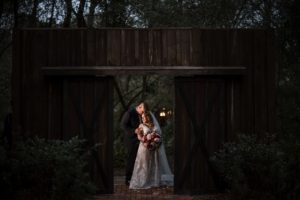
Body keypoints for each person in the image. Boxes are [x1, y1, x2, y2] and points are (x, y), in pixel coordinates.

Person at [129, 111, 174, 189]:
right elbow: (139, 137)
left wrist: (156, 141)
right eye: (142, 117)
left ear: (148, 117)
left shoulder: (154, 125)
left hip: (154, 148)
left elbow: (159, 135)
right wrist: (144, 140)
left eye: (144, 117)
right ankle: (143, 181)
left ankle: (154, 181)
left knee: (154, 163)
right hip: (144, 148)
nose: (142, 119)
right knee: (144, 164)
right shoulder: (141, 125)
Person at [120, 102, 148, 186]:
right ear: (139, 107)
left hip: (141, 140)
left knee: (140, 160)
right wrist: (134, 131)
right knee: (131, 160)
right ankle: (128, 179)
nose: (142, 113)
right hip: (131, 141)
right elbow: (123, 125)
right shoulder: (129, 113)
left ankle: (138, 177)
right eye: (142, 111)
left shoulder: (141, 114)